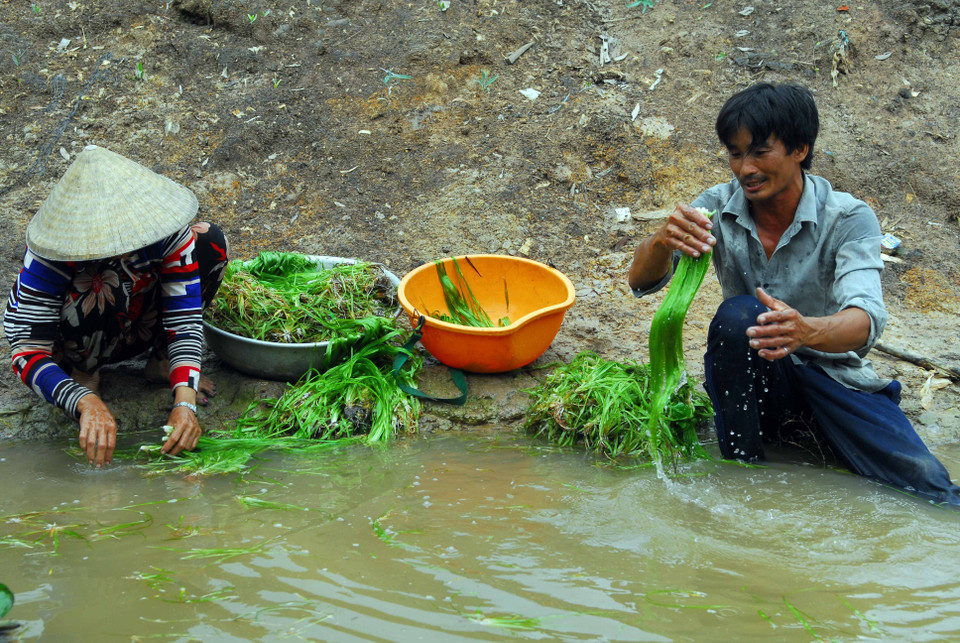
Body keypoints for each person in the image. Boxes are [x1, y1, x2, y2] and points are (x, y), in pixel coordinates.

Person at [628, 82, 960, 505]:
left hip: (834, 379)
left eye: (760, 151)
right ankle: (742, 477)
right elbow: (641, 282)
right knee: (738, 317)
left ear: (800, 148)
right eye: (735, 153)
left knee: (929, 485)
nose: (745, 168)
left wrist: (806, 332)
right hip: (759, 376)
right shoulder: (714, 208)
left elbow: (865, 320)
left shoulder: (848, 217)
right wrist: (660, 242)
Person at [3, 145, 229, 467]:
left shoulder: (164, 229)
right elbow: (27, 351)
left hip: (130, 326)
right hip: (69, 340)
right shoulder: (54, 251)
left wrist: (185, 401)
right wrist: (83, 402)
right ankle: (85, 375)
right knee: (106, 279)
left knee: (209, 242)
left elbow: (185, 316)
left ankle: (163, 363)